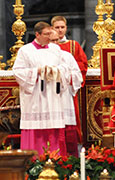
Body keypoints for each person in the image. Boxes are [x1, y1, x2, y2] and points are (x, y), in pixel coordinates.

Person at [13, 22, 72, 155]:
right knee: (36, 128)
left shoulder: (55, 49)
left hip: (53, 96)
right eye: (46, 34)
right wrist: (37, 72)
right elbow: (18, 72)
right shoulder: (25, 50)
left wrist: (57, 71)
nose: (49, 37)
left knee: (53, 128)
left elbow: (66, 68)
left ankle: (55, 160)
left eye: (50, 34)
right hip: (35, 97)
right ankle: (34, 161)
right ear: (37, 34)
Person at [51, 16, 88, 145]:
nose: (60, 30)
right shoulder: (46, 49)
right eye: (57, 27)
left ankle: (73, 143)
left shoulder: (73, 45)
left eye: (62, 27)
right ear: (52, 28)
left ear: (66, 28)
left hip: (68, 88)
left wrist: (68, 74)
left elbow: (82, 65)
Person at [49, 29, 83, 157]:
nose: (55, 43)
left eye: (57, 40)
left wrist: (65, 76)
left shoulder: (67, 56)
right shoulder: (40, 56)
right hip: (49, 99)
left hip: (64, 97)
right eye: (52, 41)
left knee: (68, 133)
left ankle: (70, 161)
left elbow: (78, 76)